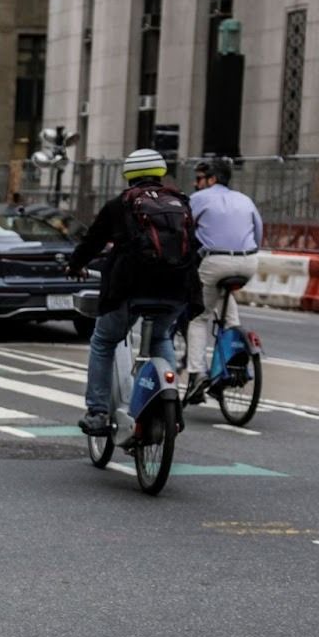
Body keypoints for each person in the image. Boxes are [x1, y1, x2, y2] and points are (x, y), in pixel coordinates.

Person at [68, 147, 199, 437]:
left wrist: (74, 265)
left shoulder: (120, 205)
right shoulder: (181, 203)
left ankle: (98, 412)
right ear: (161, 173)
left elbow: (92, 242)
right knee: (162, 336)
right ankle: (171, 406)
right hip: (177, 287)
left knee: (103, 341)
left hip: (131, 289)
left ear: (128, 174)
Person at [186, 158, 263, 400]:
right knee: (225, 302)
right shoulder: (245, 199)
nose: (197, 184)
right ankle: (231, 360)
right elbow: (259, 232)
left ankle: (197, 374)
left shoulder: (199, 198)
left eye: (200, 180)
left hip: (216, 260)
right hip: (249, 261)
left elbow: (184, 228)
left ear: (212, 179)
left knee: (199, 317)